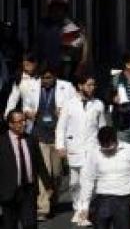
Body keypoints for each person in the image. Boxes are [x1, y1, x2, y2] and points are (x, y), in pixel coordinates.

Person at [21, 65, 74, 221]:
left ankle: (53, 201)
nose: (46, 80)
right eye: (43, 78)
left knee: (56, 173)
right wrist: (28, 112)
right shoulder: (32, 87)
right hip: (39, 134)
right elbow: (26, 105)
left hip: (57, 136)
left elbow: (73, 104)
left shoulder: (67, 87)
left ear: (55, 77)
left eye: (49, 77)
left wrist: (64, 110)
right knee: (44, 172)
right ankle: (43, 207)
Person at [55, 73, 107, 227]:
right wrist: (60, 146)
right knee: (74, 182)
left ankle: (84, 211)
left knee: (87, 181)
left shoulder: (98, 104)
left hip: (92, 148)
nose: (92, 88)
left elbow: (103, 127)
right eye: (89, 85)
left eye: (93, 85)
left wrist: (105, 145)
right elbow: (61, 127)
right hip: (73, 148)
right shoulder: (69, 104)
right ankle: (77, 206)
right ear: (80, 86)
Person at [78, 125, 130, 229]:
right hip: (102, 198)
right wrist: (84, 206)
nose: (108, 150)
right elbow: (87, 179)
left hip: (124, 198)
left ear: (116, 140)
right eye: (104, 147)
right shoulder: (94, 153)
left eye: (110, 146)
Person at [0, 110, 48, 229]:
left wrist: (48, 184)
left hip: (28, 190)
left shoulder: (31, 139)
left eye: (24, 120)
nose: (23, 124)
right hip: (8, 192)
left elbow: (39, 163)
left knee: (30, 224)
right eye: (19, 121)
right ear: (10, 124)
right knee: (10, 225)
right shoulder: (2, 141)